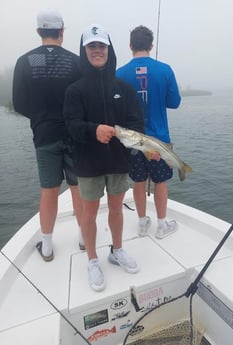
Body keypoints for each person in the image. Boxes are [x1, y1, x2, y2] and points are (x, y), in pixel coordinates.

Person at [63, 24, 144, 292]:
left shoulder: (125, 87)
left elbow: (137, 124)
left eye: (102, 46)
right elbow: (71, 126)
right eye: (92, 46)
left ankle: (117, 250)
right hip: (88, 162)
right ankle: (93, 259)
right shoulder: (74, 90)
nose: (97, 51)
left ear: (109, 50)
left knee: (117, 208)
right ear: (84, 51)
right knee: (88, 213)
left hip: (118, 161)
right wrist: (93, 130)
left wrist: (126, 139)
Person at [12, 10, 84, 261]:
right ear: (62, 31)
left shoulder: (25, 61)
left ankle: (48, 246)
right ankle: (85, 238)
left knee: (48, 191)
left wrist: (40, 118)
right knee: (78, 188)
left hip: (44, 136)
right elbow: (84, 99)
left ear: (38, 31)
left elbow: (19, 102)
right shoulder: (76, 62)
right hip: (75, 135)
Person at [116, 25, 181, 239]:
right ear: (151, 45)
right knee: (160, 182)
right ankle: (162, 225)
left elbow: (117, 109)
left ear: (130, 46)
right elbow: (174, 102)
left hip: (132, 141)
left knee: (138, 180)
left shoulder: (119, 74)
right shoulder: (165, 70)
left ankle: (142, 223)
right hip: (159, 140)